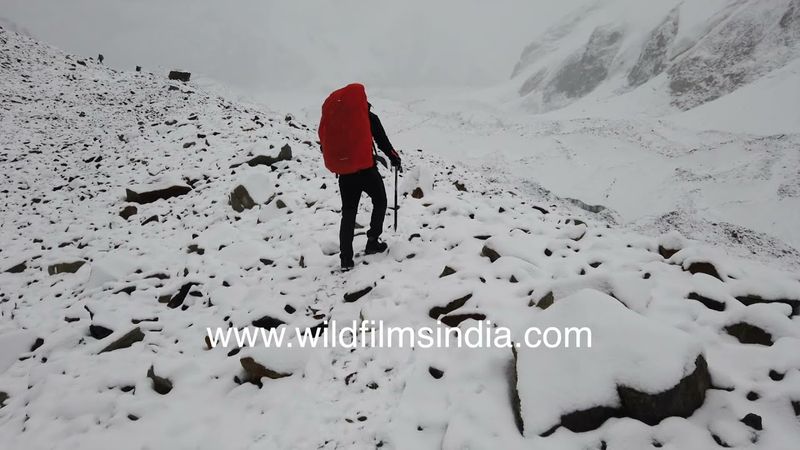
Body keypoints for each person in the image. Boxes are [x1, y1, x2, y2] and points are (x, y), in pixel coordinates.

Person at [337, 103, 401, 270]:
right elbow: (382, 141)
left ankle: (345, 259)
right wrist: (394, 157)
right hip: (366, 171)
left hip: (345, 174)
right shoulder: (368, 117)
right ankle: (372, 242)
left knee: (348, 213)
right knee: (380, 201)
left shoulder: (337, 119)